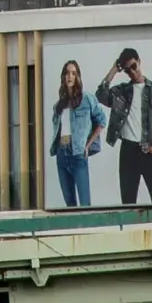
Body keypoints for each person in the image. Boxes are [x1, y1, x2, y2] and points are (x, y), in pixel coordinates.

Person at [96, 47, 152, 206]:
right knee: (128, 203)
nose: (132, 72)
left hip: (149, 150)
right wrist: (114, 69)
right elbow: (101, 95)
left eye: (133, 66)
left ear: (139, 62)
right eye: (127, 70)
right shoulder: (121, 91)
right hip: (128, 151)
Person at [49, 59, 107, 208]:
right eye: (67, 73)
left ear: (78, 77)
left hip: (78, 153)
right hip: (61, 154)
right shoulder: (58, 106)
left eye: (73, 73)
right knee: (70, 205)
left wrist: (88, 145)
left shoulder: (87, 99)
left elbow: (102, 121)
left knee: (85, 203)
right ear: (63, 76)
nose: (70, 76)